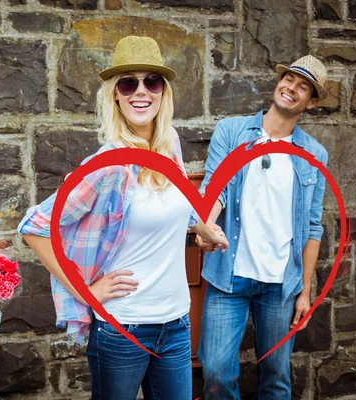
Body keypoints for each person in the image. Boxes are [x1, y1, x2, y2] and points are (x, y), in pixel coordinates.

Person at [17, 35, 228, 400]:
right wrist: (86, 291)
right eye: (129, 82)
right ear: (115, 94)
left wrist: (200, 228)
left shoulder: (170, 144)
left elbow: (163, 212)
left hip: (176, 322)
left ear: (164, 92)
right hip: (123, 326)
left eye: (152, 81)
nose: (141, 91)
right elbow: (34, 227)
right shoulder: (107, 165)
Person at [196, 55, 329, 399]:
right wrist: (205, 224)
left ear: (311, 102)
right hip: (229, 275)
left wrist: (306, 290)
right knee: (216, 375)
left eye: (303, 87)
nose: (292, 88)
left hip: (280, 285)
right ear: (278, 81)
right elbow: (216, 187)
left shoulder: (314, 154)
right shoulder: (232, 131)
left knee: (276, 378)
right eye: (290, 79)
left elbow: (313, 226)